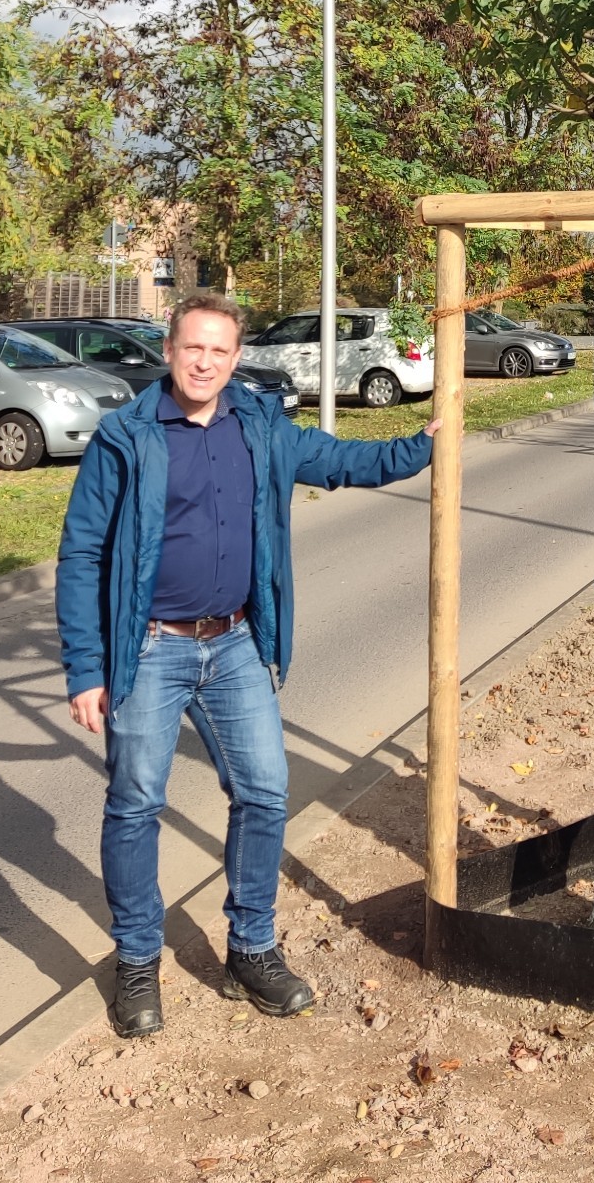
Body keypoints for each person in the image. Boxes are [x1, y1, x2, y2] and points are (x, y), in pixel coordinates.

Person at [56, 291, 438, 1040]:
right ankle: (137, 961)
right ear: (170, 351)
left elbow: (343, 461)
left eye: (219, 351)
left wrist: (425, 444)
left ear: (236, 359)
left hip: (234, 644)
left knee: (265, 792)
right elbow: (82, 554)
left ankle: (251, 948)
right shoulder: (126, 437)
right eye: (193, 348)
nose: (204, 362)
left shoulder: (260, 426)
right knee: (135, 805)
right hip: (149, 649)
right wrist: (86, 668)